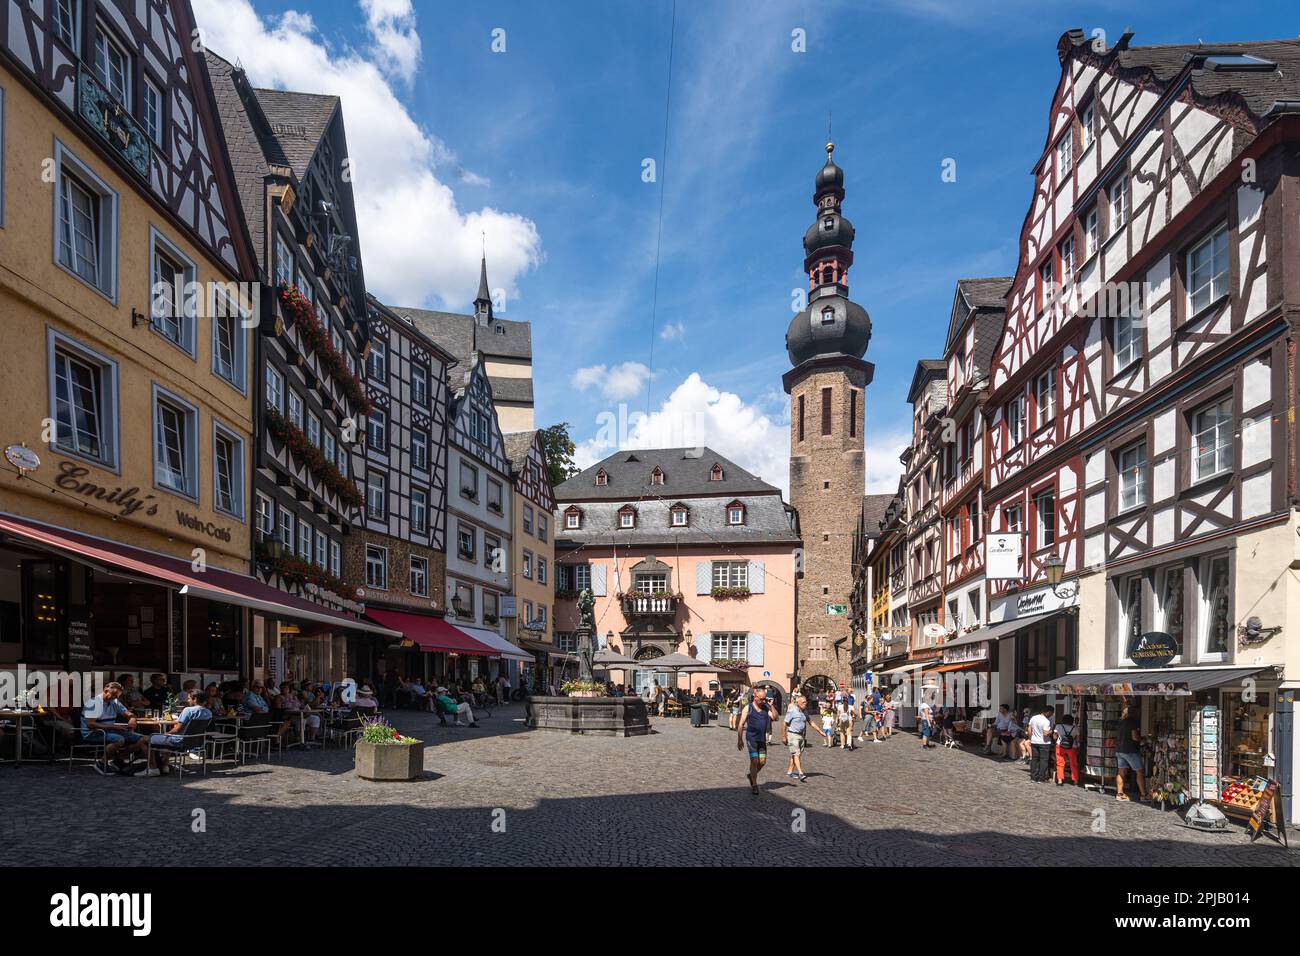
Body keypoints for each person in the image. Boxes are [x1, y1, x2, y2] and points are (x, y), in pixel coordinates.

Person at [140, 690, 212, 776]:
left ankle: (153, 768)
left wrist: (167, 733)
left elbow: (177, 729)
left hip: (178, 741)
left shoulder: (188, 710)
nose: (188, 700)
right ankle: (164, 766)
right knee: (167, 737)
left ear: (195, 699)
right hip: (194, 742)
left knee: (144, 739)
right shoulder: (208, 712)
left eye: (189, 698)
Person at [80, 682, 147, 774]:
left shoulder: (114, 701)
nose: (115, 698)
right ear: (106, 691)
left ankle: (119, 759)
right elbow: (90, 724)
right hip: (93, 732)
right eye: (114, 695)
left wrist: (132, 719)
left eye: (117, 696)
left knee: (143, 739)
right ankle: (101, 763)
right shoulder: (93, 703)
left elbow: (129, 714)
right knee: (119, 739)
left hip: (111, 730)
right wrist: (113, 726)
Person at [736, 687, 779, 795]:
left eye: (765, 699)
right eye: (761, 699)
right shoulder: (748, 708)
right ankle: (754, 784)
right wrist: (739, 739)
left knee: (762, 762)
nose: (763, 701)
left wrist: (770, 705)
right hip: (752, 739)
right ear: (755, 697)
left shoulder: (766, 708)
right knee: (754, 761)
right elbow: (741, 724)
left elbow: (776, 718)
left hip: (762, 740)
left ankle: (751, 775)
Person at [782, 693, 824, 781]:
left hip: (802, 736)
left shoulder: (804, 711)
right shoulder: (792, 710)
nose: (806, 704)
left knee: (796, 755)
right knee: (796, 754)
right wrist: (784, 736)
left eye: (806, 702)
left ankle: (789, 772)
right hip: (793, 735)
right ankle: (801, 773)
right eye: (803, 702)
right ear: (798, 702)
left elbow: (811, 722)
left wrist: (820, 731)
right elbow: (784, 723)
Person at [1115, 703, 1146, 802]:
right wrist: (1141, 740)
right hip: (1130, 750)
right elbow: (1134, 737)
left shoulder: (1120, 721)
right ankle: (1143, 795)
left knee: (1121, 772)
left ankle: (1120, 793)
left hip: (1120, 750)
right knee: (1139, 771)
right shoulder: (1132, 721)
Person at [1028, 705, 1055, 782]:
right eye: (1051, 713)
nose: (1051, 715)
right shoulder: (1046, 721)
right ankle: (1041, 777)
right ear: (1048, 712)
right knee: (1044, 760)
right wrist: (1052, 730)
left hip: (1034, 741)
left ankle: (1033, 777)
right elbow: (1046, 734)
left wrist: (1030, 739)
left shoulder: (1033, 718)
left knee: (1034, 759)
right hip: (1044, 743)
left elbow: (1029, 729)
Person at [1054, 712, 1081, 786]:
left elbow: (1055, 737)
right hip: (1072, 747)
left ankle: (1060, 780)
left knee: (1060, 763)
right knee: (1073, 763)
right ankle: (1075, 780)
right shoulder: (1075, 728)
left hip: (1060, 746)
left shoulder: (1058, 726)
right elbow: (1078, 739)